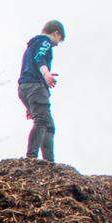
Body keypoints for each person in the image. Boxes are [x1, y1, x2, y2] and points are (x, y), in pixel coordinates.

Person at [18, 20, 66, 162]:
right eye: (59, 39)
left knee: (49, 125)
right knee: (42, 121)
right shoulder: (45, 42)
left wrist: (29, 106)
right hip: (35, 87)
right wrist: (46, 74)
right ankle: (31, 157)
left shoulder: (31, 46)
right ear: (56, 33)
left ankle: (49, 162)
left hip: (24, 88)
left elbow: (29, 66)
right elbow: (40, 57)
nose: (57, 44)